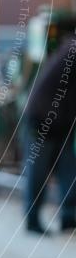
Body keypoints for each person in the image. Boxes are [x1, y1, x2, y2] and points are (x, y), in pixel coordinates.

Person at [21, 34, 76, 235]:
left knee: (69, 172)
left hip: (62, 124)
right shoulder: (72, 52)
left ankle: (69, 219)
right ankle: (32, 220)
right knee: (38, 174)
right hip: (41, 122)